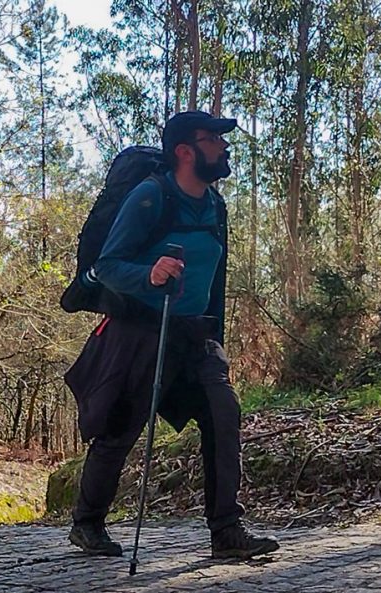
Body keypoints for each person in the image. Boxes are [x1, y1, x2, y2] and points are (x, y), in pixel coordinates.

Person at [64, 111, 279, 560]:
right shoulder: (150, 197)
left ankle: (226, 531)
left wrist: (215, 333)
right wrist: (150, 273)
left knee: (222, 414)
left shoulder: (215, 205)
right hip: (142, 332)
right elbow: (107, 265)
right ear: (185, 151)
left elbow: (214, 277)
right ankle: (87, 524)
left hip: (196, 335)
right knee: (120, 429)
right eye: (213, 139)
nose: (223, 146)